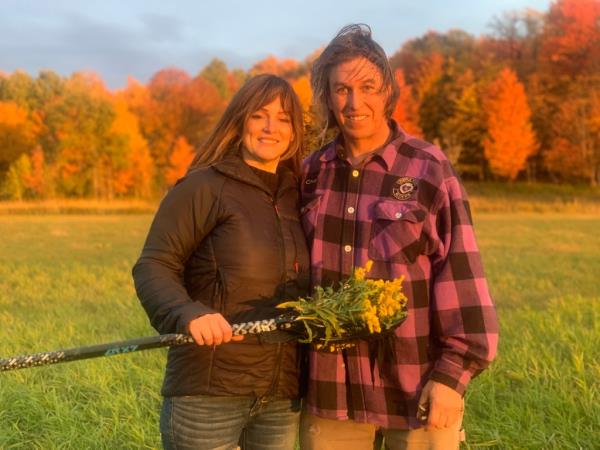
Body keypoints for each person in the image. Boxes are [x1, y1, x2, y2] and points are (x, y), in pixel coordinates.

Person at [298, 24, 499, 450]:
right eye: (341, 90)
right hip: (330, 394)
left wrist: (451, 377)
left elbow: (461, 273)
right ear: (328, 98)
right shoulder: (310, 174)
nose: (355, 103)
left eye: (368, 86)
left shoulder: (428, 168)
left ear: (388, 90)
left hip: (419, 388)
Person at [132, 74, 310, 450]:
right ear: (239, 120)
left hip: (281, 395)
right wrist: (188, 312)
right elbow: (154, 265)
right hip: (208, 393)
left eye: (283, 118)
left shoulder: (302, 197)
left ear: (294, 132)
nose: (270, 128)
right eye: (260, 115)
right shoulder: (203, 187)